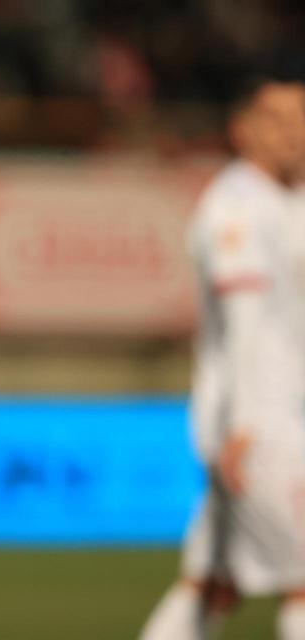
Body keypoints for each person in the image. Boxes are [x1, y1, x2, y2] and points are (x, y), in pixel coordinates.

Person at [139, 80, 305, 639]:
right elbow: (243, 323)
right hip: (261, 425)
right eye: (278, 119)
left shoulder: (287, 199)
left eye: (302, 118)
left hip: (274, 419)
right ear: (243, 130)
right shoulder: (237, 207)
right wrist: (243, 425)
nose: (294, 132)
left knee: (213, 584)